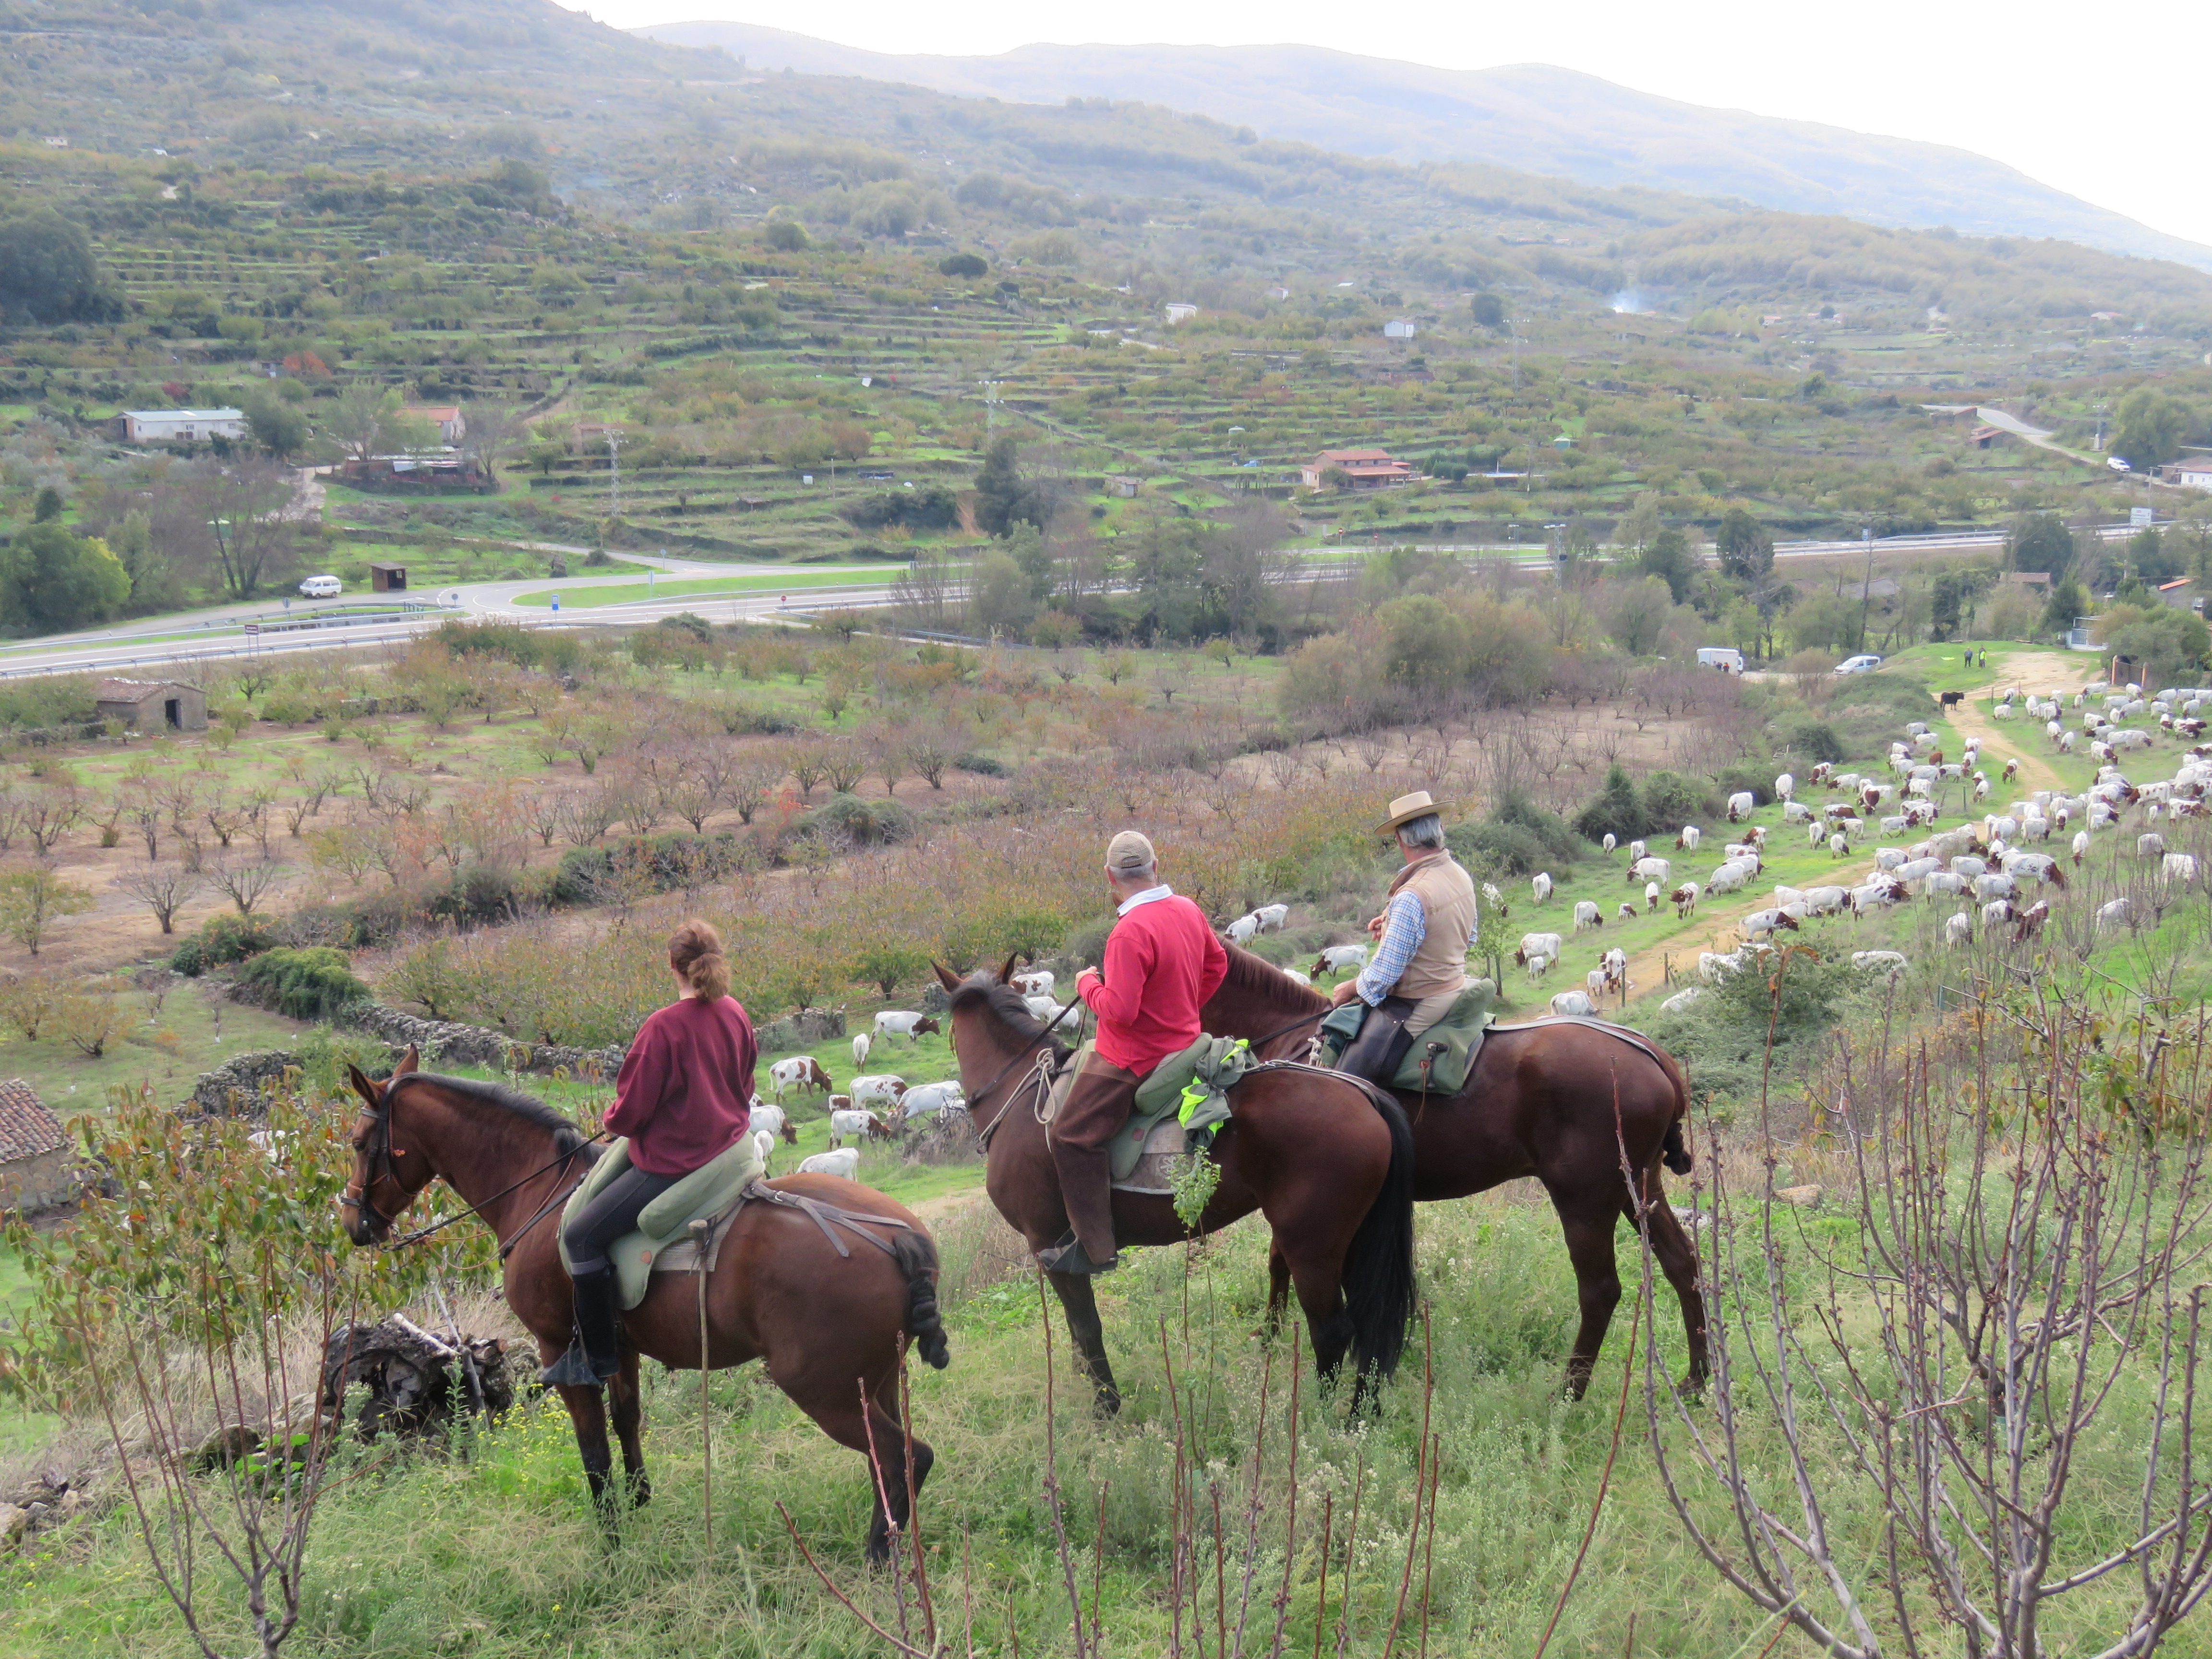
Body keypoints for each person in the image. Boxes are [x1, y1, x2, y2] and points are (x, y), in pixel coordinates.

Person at [541, 919, 758, 1386]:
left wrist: (612, 1118)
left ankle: (597, 1359)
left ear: (672, 965)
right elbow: (745, 1086)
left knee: (581, 1236)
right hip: (729, 1154)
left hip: (673, 1166)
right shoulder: (735, 1012)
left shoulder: (663, 1028)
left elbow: (628, 1117)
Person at [1051, 830, 1227, 1275]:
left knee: (1069, 1136)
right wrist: (1183, 1007)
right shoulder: (1187, 908)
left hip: (1134, 1057)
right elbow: (1217, 964)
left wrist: (1086, 984)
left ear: (1110, 877)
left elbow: (1122, 1011)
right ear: (1156, 864)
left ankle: (1095, 1250)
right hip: (1187, 1040)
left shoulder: (1128, 933)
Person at [1329, 792, 1479, 1084]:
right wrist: (1392, 923)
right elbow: (1469, 937)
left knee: (1346, 1084)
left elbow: (1384, 976)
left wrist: (1347, 988)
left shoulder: (1412, 895)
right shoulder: (1458, 873)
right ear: (1439, 830)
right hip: (1455, 984)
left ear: (1399, 839)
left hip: (1419, 1001)